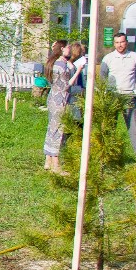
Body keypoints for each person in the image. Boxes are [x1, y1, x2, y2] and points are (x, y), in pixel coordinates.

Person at [100, 32, 136, 154]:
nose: (119, 45)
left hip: (128, 96)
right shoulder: (108, 58)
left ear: (126, 43)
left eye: (122, 42)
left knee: (135, 128)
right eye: (117, 42)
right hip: (112, 95)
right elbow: (102, 77)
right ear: (114, 44)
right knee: (109, 127)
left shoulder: (134, 57)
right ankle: (107, 155)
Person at [43, 40, 74, 172]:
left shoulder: (53, 62)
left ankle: (48, 160)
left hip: (52, 98)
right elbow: (66, 85)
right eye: (68, 47)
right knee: (58, 129)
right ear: (62, 49)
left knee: (51, 128)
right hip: (60, 99)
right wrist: (78, 71)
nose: (70, 49)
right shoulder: (62, 65)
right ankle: (56, 164)